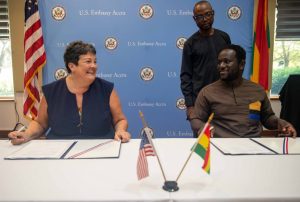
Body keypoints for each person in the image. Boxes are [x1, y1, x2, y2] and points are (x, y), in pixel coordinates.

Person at [9, 41, 131, 144]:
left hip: (101, 147)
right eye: (88, 61)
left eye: (95, 61)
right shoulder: (52, 91)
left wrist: (120, 130)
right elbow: (40, 123)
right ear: (72, 66)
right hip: (58, 151)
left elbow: (120, 120)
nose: (94, 66)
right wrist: (27, 135)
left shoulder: (107, 89)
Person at [194, 44, 297, 138]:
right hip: (220, 148)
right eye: (219, 62)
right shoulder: (207, 92)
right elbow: (196, 119)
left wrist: (280, 122)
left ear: (241, 64)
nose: (221, 66)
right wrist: (202, 127)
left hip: (254, 147)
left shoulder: (257, 90)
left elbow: (267, 118)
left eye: (226, 61)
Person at [180, 0, 231, 137]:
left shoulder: (224, 37)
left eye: (208, 14)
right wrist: (190, 106)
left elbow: (231, 68)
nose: (205, 19)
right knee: (202, 144)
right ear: (194, 19)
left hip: (223, 99)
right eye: (200, 16)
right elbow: (185, 76)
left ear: (213, 14)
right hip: (200, 102)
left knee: (225, 141)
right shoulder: (190, 44)